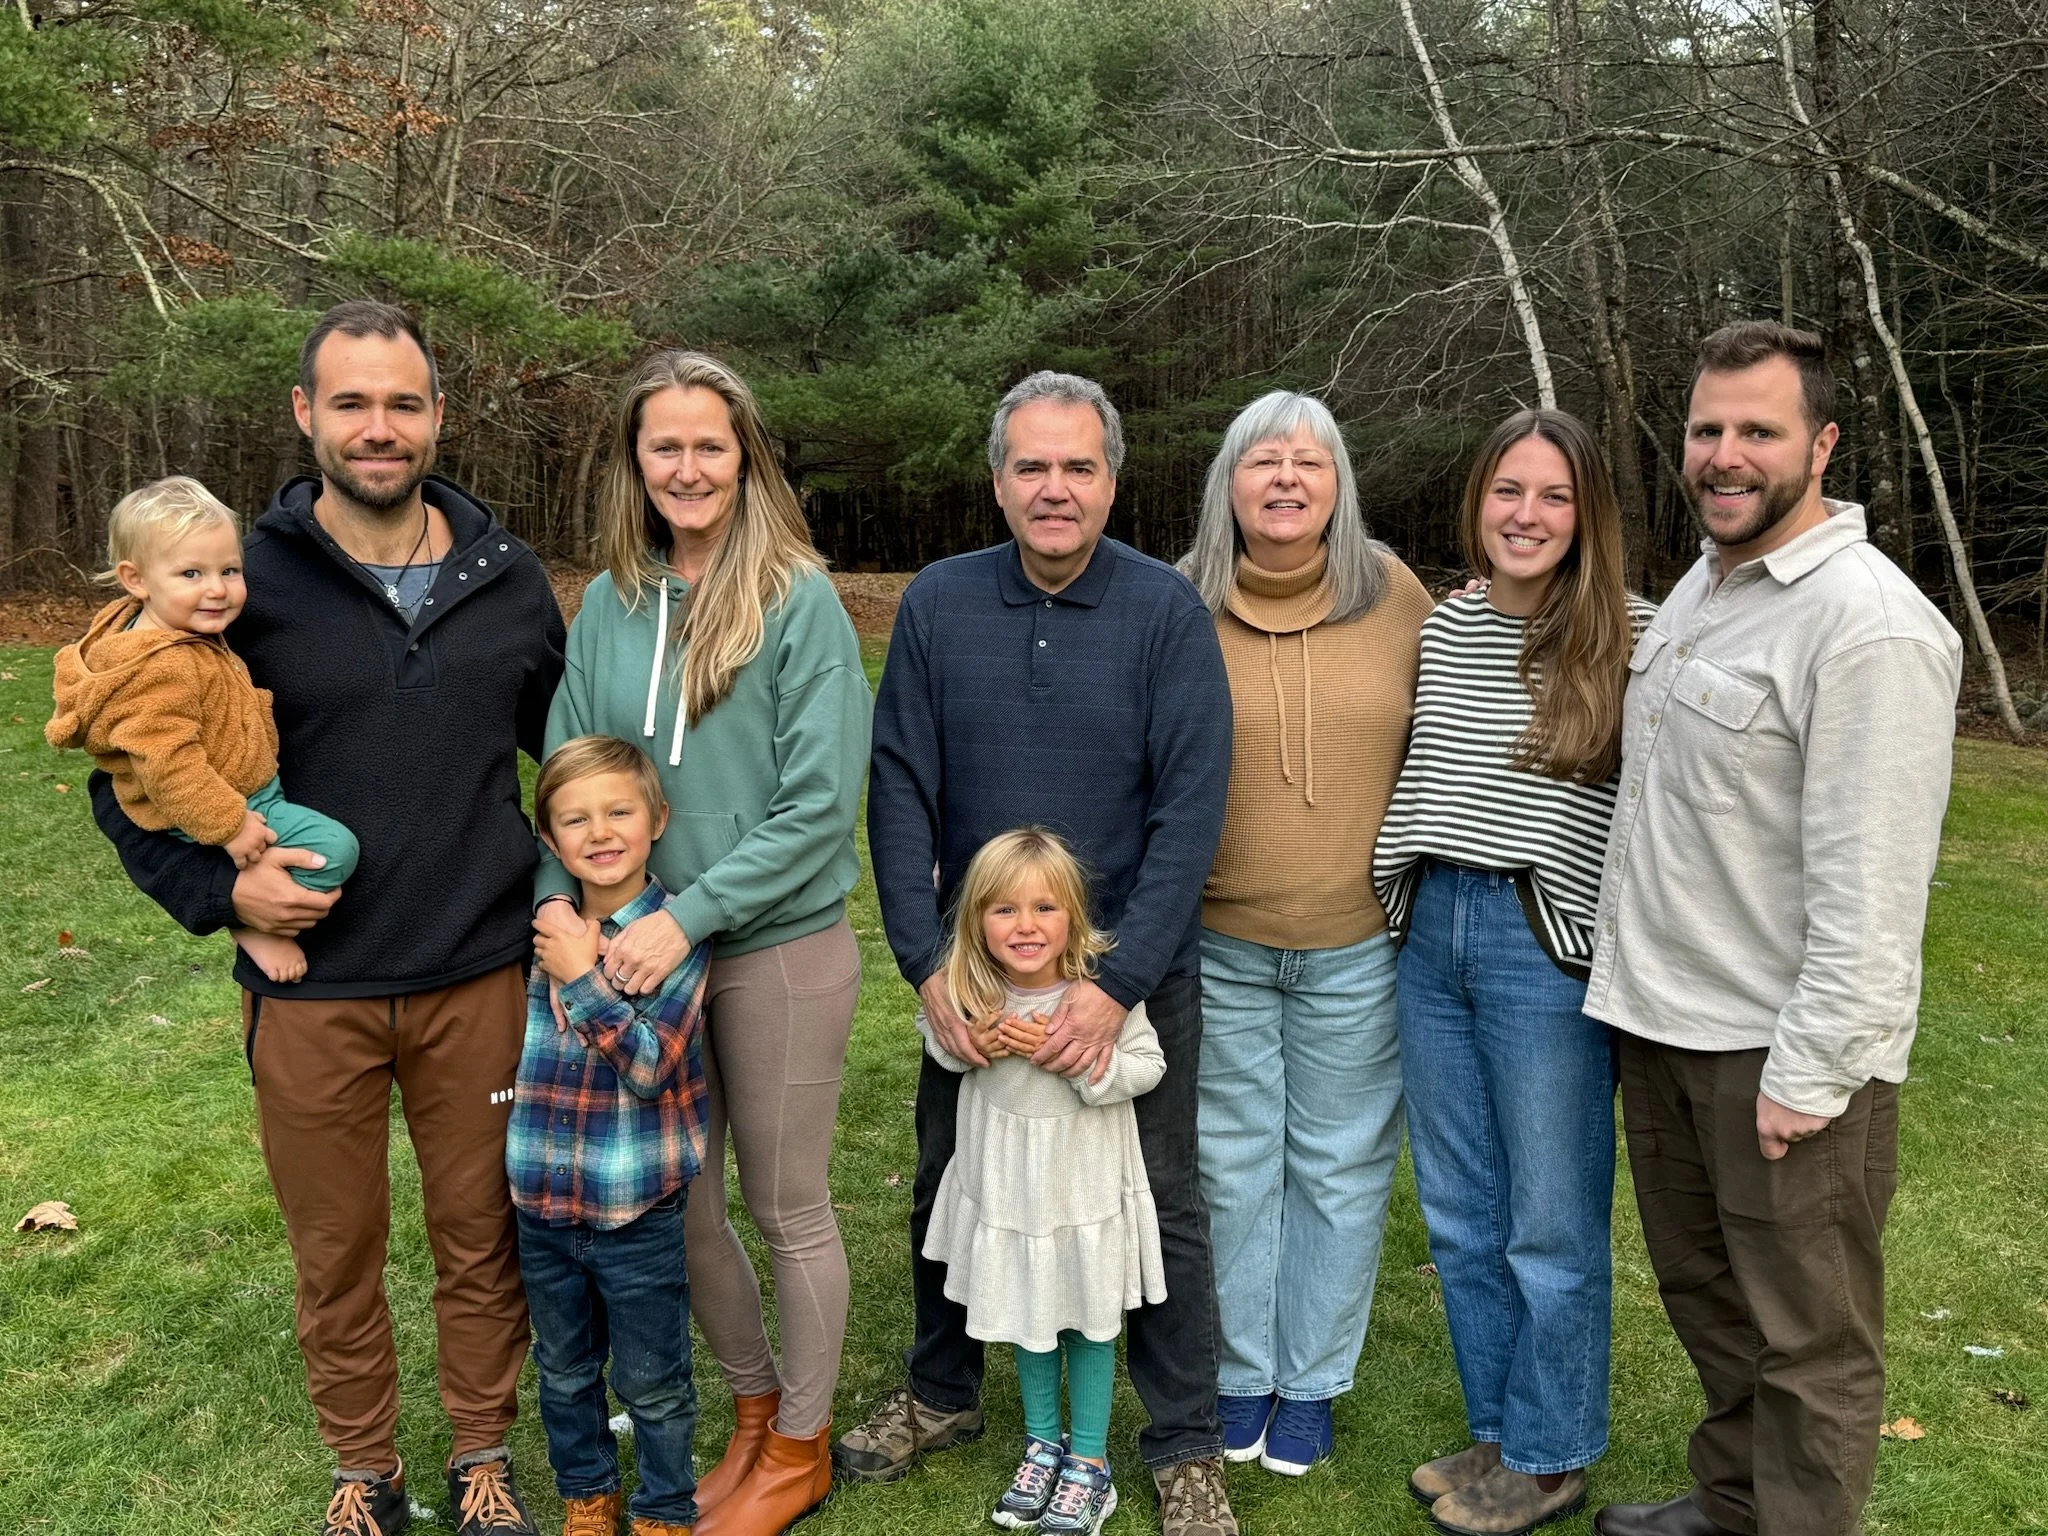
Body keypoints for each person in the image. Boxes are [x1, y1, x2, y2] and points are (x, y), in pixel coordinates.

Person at [86, 300, 565, 1536]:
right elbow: (124, 774)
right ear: (306, 414)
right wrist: (220, 894)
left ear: (438, 416)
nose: (378, 427)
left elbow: (567, 764)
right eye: (351, 402)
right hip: (313, 988)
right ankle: (365, 1468)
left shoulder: (507, 580)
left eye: (403, 403)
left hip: (476, 970)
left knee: (481, 1235)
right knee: (335, 1246)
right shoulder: (234, 583)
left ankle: (481, 1456)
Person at [1584, 322, 1961, 1536]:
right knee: (1712, 1303)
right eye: (1707, 429)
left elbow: (1874, 889)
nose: (1724, 454)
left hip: (1775, 1054)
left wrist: (1809, 1073)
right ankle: (1733, 1503)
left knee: (1808, 1339)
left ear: (1822, 444)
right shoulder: (1705, 587)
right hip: (1666, 1026)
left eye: (1758, 429)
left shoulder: (1867, 626)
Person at [853, 371, 1240, 1536]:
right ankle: (941, 1392)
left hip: (1132, 972)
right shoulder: (938, 604)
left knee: (1157, 1201)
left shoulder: (1164, 613)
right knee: (951, 1181)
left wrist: (1114, 988)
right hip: (977, 976)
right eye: (1031, 466)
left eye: (1077, 466)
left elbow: (1190, 809)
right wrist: (926, 965)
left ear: (1111, 481)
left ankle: (1183, 1445)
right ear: (997, 481)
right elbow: (899, 788)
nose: (1054, 488)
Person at [532, 349, 870, 1536]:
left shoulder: (798, 599)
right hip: (636, 957)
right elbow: (565, 774)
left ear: (745, 458)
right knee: (680, 1207)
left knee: (784, 1206)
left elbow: (818, 806)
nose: (687, 468)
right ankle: (752, 1411)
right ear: (635, 463)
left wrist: (686, 914)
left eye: (709, 445)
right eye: (663, 446)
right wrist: (561, 917)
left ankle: (802, 1447)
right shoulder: (610, 604)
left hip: (773, 948)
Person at [1374, 409, 1655, 1536]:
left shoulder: (1632, 635)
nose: (1525, 515)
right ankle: (1498, 1432)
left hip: (1541, 943)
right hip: (1432, 929)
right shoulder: (1445, 625)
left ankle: (1549, 1456)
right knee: (1457, 1211)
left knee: (1547, 1217)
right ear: (1477, 502)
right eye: (1507, 490)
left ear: (1586, 515)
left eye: (1552, 496)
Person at [1175, 391, 1434, 1476]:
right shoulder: (1178, 603)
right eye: (1262, 460)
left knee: (1338, 1167)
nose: (1286, 478)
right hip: (1219, 944)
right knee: (1231, 1167)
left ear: (1338, 485)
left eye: (1309, 462)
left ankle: (1313, 1380)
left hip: (1357, 945)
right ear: (1228, 484)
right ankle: (1241, 1372)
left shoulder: (1395, 596)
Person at [919, 827, 1168, 1536]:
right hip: (1009, 1189)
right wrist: (973, 1045)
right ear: (977, 920)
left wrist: (1079, 1061)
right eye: (1004, 909)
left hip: (1080, 1188)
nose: (1025, 926)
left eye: (1044, 908)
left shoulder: (1101, 995)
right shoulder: (971, 989)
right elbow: (937, 1042)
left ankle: (1089, 1463)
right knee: (1025, 1310)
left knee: (1087, 1322)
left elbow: (1147, 1065)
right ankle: (1041, 1445)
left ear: (1073, 917)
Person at [511, 736, 714, 1536]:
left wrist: (580, 976)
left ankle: (663, 1507)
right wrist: (561, 954)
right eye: (575, 819)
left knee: (653, 1380)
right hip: (543, 1202)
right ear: (551, 840)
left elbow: (650, 1066)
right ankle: (587, 1497)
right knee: (563, 1371)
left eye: (619, 812)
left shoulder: (675, 937)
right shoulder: (539, 934)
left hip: (637, 1211)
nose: (600, 832)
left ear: (657, 818)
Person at [48, 475, 359, 983]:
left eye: (229, 570)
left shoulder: (167, 629)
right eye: (191, 573)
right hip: (225, 804)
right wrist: (230, 826)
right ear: (136, 579)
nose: (217, 589)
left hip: (231, 792)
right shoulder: (159, 667)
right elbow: (167, 764)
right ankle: (254, 925)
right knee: (333, 851)